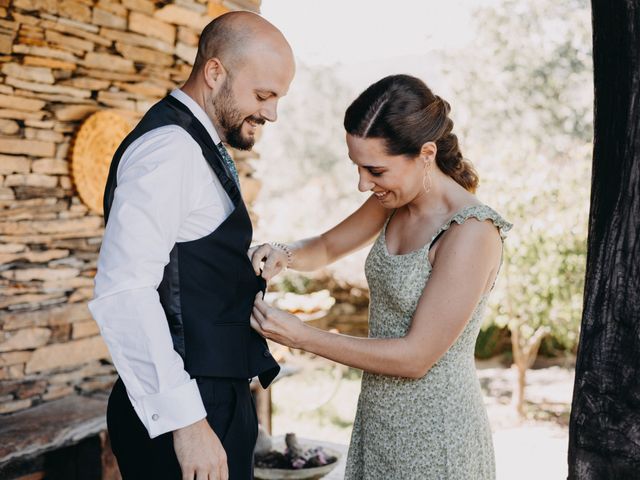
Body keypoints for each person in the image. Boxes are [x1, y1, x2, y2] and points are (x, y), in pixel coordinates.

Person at [249, 74, 511, 479]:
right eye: (357, 167)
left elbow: (415, 357)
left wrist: (302, 337)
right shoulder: (394, 200)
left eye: (375, 170)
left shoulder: (471, 232)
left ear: (425, 154)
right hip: (380, 422)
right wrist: (283, 253)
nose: (362, 184)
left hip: (437, 436)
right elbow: (326, 245)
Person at [88, 12, 295, 480]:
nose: (271, 113)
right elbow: (125, 291)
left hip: (213, 397)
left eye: (278, 98)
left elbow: (180, 260)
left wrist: (237, 262)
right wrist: (187, 422)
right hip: (191, 406)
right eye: (263, 95)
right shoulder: (168, 150)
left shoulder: (196, 143)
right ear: (215, 72)